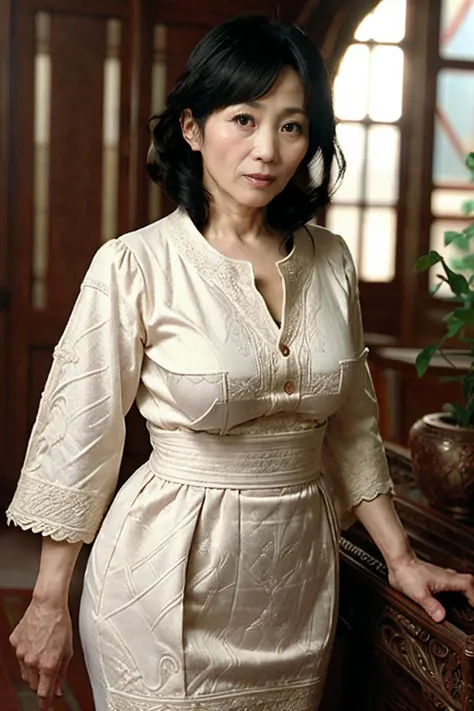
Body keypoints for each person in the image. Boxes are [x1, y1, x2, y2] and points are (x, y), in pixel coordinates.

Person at [6, 13, 474, 711]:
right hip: (162, 582)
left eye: (290, 125)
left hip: (295, 588)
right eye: (243, 119)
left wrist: (402, 560)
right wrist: (48, 601)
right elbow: (80, 437)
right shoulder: (135, 264)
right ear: (192, 129)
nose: (266, 150)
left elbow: (351, 429)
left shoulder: (331, 260)